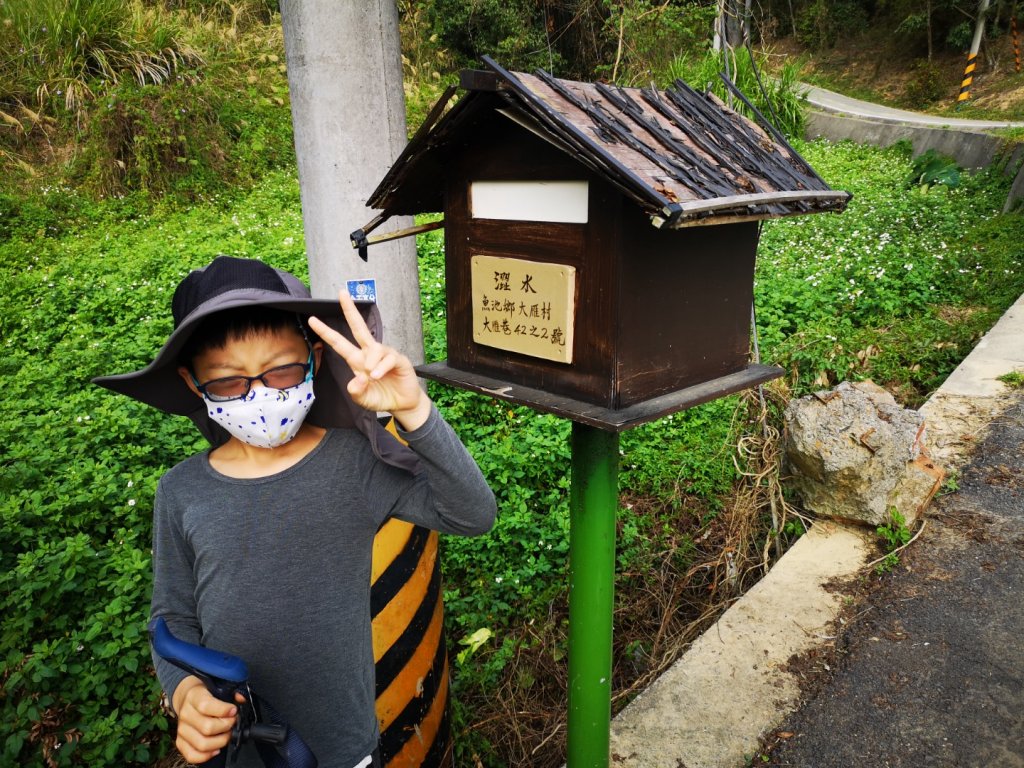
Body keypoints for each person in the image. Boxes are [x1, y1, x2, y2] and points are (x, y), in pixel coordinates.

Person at [94, 256, 496, 768]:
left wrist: (413, 408)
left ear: (316, 359)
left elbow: (472, 514)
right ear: (193, 384)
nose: (259, 394)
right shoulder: (182, 490)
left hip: (344, 747)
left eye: (282, 370)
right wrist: (185, 693)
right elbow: (172, 616)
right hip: (238, 750)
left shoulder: (353, 462)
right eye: (227, 382)